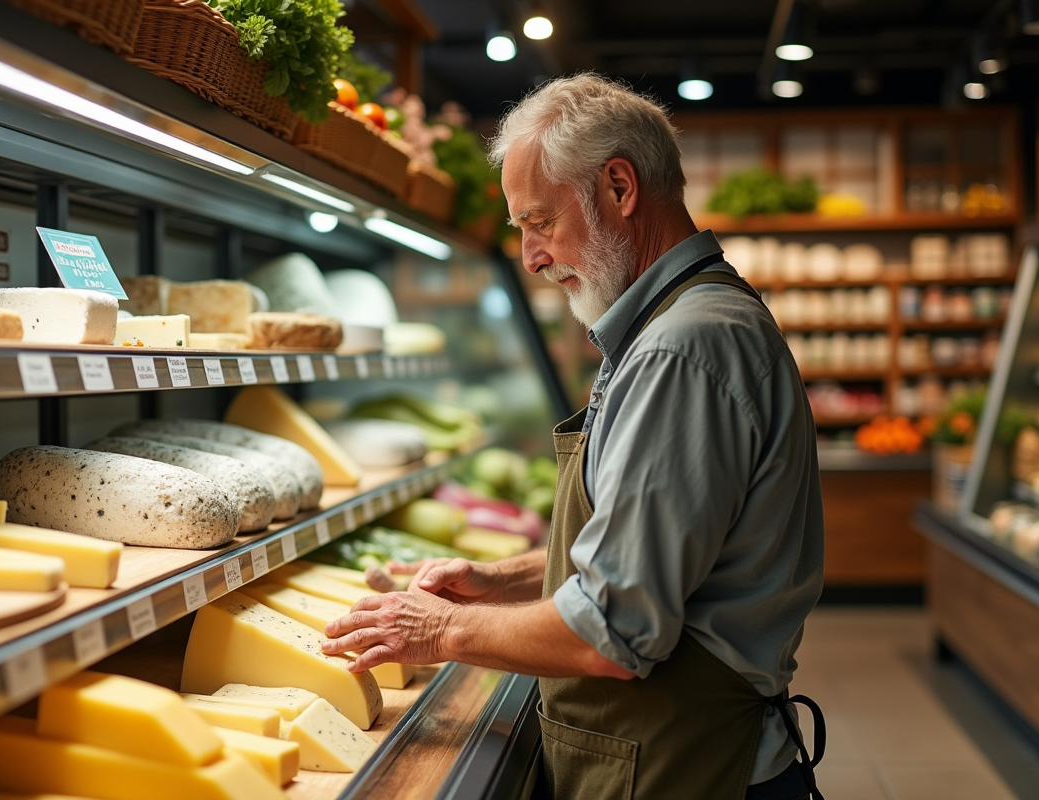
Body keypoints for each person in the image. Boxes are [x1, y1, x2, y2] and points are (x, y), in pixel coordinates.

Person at [322, 73, 825, 800]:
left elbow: (614, 632)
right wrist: (499, 581)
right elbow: (655, 547)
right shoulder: (678, 324)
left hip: (693, 770)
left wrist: (439, 631)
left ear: (619, 188)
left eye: (540, 222)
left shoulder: (680, 348)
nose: (530, 257)